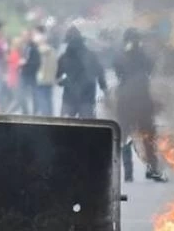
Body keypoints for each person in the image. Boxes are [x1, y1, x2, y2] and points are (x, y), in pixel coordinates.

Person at [112, 29, 168, 182]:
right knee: (148, 136)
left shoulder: (121, 56)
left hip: (125, 101)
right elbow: (150, 68)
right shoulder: (142, 56)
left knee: (125, 137)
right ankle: (152, 168)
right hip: (142, 100)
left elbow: (118, 71)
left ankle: (128, 173)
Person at [57, 26, 107, 118]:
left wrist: (64, 82)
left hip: (69, 99)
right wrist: (104, 88)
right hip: (87, 99)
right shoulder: (92, 56)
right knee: (88, 129)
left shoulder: (64, 58)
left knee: (63, 128)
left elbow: (58, 78)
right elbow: (100, 73)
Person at [34, 26, 58, 115]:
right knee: (48, 99)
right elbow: (55, 66)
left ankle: (45, 119)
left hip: (41, 79)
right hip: (50, 79)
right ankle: (51, 118)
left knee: (42, 99)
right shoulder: (52, 51)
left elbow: (40, 66)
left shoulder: (39, 52)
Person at [19, 27, 42, 115]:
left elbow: (37, 62)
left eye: (25, 36)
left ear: (29, 37)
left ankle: (34, 113)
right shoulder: (24, 46)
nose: (23, 37)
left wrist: (26, 63)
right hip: (24, 74)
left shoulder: (34, 47)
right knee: (21, 94)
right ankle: (25, 112)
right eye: (22, 36)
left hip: (31, 75)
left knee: (34, 94)